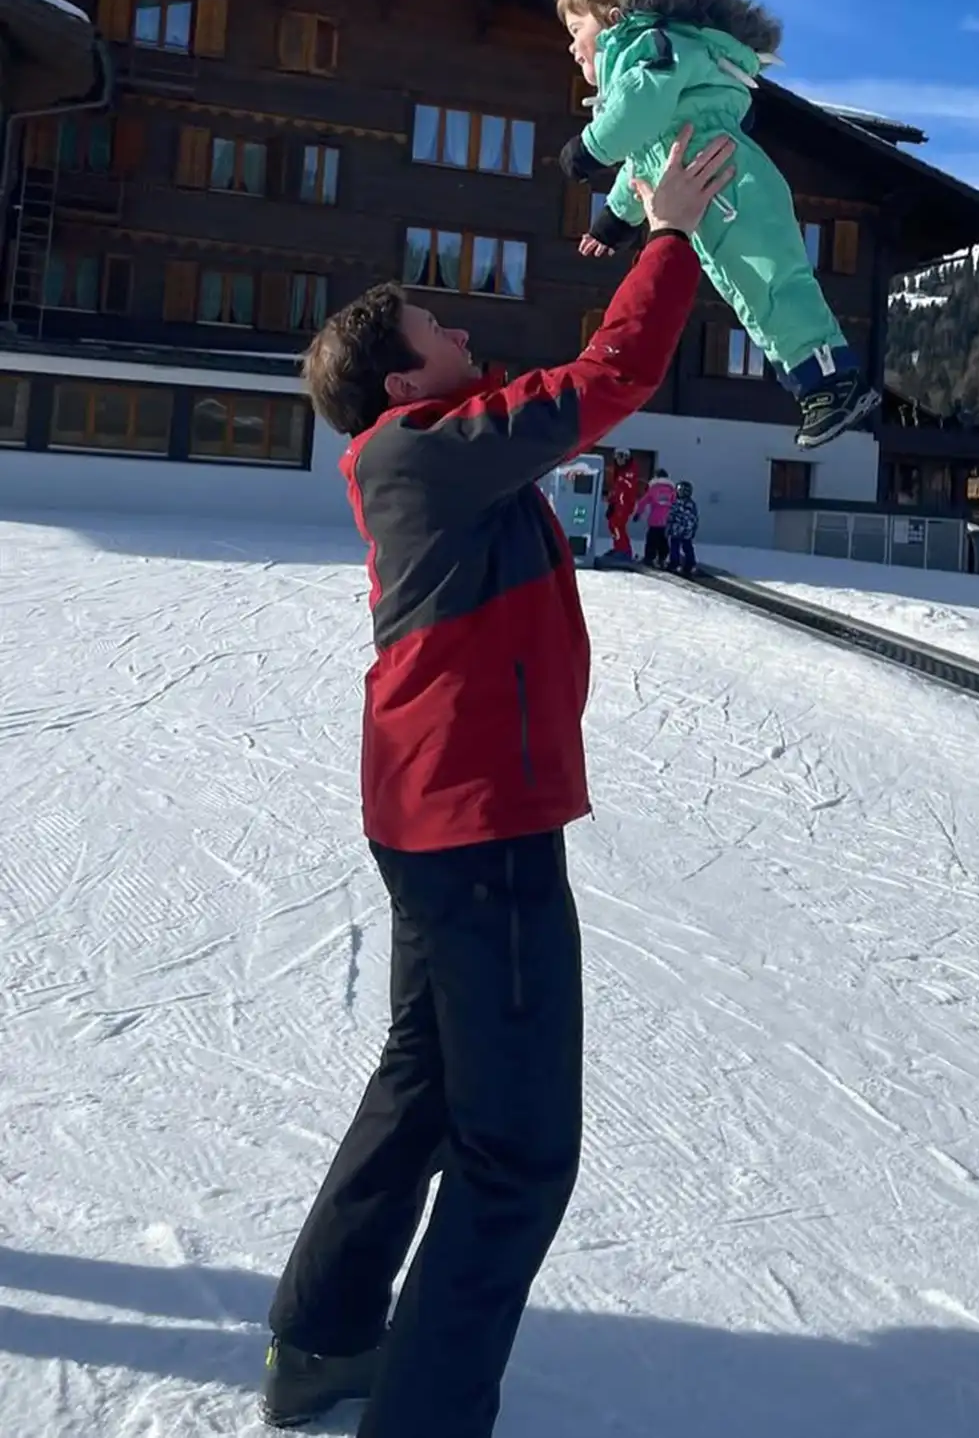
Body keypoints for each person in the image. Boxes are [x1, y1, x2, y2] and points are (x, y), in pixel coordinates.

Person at [263, 128, 734, 1438]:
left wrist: (618, 225)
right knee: (517, 1154)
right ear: (400, 374)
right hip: (482, 823)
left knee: (424, 1076)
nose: (466, 337)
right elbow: (610, 375)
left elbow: (567, 382)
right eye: (441, 327)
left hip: (434, 812)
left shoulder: (427, 447)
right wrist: (673, 233)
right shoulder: (425, 446)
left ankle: (322, 1336)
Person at [556, 0, 881, 450]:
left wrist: (589, 148)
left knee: (772, 284)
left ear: (614, 19)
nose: (572, 46)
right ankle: (816, 385)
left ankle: (834, 379)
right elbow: (644, 162)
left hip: (730, 180)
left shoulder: (653, 50)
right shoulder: (657, 76)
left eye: (577, 28)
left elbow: (639, 107)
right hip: (715, 190)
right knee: (754, 297)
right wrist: (615, 220)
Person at [635, 467, 677, 568]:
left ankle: (649, 558)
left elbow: (643, 502)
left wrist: (638, 513)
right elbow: (675, 504)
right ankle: (662, 558)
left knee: (651, 540)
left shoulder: (653, 489)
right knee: (664, 540)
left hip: (654, 520)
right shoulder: (672, 490)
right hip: (667, 521)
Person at [605, 446, 641, 557]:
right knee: (613, 526)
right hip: (617, 504)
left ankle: (624, 550)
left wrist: (618, 502)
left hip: (624, 505)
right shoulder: (619, 472)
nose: (619, 460)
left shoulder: (630, 471)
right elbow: (616, 489)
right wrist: (611, 503)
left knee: (617, 525)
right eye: (617, 457)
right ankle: (619, 548)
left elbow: (628, 488)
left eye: (622, 457)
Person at [666, 479, 700, 577]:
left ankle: (675, 563)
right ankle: (690, 564)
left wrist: (669, 526)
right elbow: (695, 518)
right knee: (687, 547)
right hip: (687, 531)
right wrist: (693, 529)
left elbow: (671, 515)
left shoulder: (676, 503)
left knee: (675, 547)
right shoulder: (692, 504)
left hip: (677, 530)